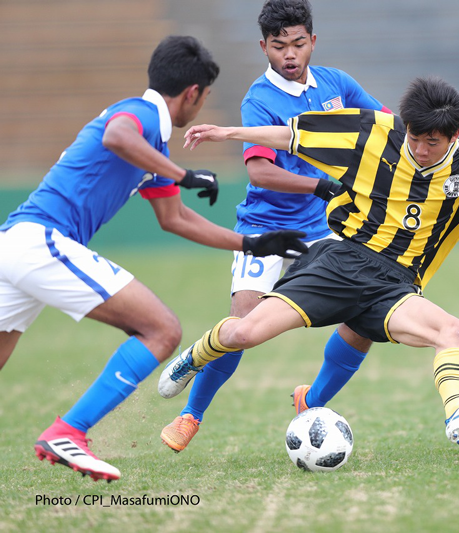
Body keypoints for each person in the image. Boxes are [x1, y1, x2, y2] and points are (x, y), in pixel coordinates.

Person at [164, 76, 459, 445]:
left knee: (453, 331)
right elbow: (290, 135)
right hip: (340, 261)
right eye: (416, 138)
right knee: (245, 331)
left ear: (455, 135)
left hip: (396, 286)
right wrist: (228, 132)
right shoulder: (372, 131)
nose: (421, 149)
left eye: (433, 142)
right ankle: (195, 356)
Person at [0, 35, 308, 482]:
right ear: (193, 94)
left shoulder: (153, 143)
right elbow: (117, 136)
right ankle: (69, 431)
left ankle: (69, 431)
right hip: (42, 241)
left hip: (15, 245)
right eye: (203, 99)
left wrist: (254, 245)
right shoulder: (140, 117)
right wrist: (183, 173)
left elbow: (176, 219)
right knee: (162, 330)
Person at [158, 0, 392, 453]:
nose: (289, 54)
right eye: (279, 46)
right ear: (263, 46)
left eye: (298, 44)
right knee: (243, 325)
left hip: (322, 231)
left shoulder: (337, 84)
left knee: (368, 310)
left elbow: (384, 126)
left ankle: (314, 398)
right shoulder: (258, 99)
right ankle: (191, 414)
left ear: (312, 43)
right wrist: (322, 185)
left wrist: (429, 135)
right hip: (265, 229)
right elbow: (260, 173)